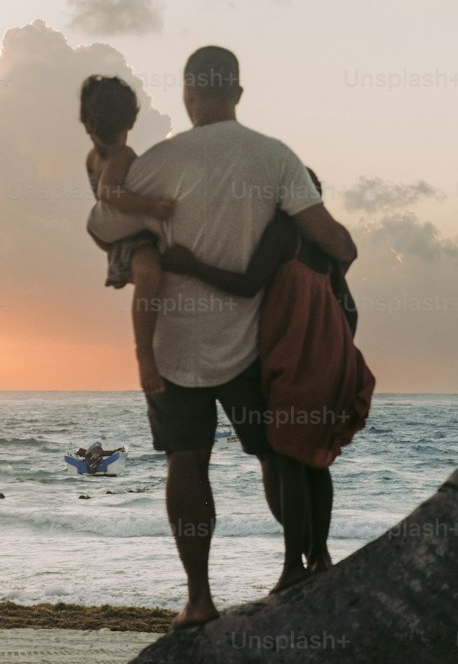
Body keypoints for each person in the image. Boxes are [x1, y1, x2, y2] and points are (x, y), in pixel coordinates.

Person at [87, 46, 357, 629]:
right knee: (275, 458)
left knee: (186, 463)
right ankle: (308, 568)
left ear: (187, 94)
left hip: (169, 348)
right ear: (237, 93)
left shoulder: (158, 160)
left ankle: (200, 598)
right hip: (254, 343)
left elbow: (101, 225)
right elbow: (331, 238)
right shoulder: (275, 156)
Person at [161, 168, 375, 592]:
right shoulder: (328, 244)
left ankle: (293, 566)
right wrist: (336, 352)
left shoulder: (283, 234)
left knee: (290, 462)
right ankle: (320, 556)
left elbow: (245, 286)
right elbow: (349, 309)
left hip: (295, 360)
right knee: (314, 458)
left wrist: (191, 264)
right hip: (329, 357)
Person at [80, 74, 175, 395]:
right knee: (150, 275)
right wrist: (150, 206)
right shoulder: (121, 156)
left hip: (117, 236)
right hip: (131, 237)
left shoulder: (95, 155)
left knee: (153, 280)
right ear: (130, 122)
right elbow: (108, 192)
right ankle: (146, 356)